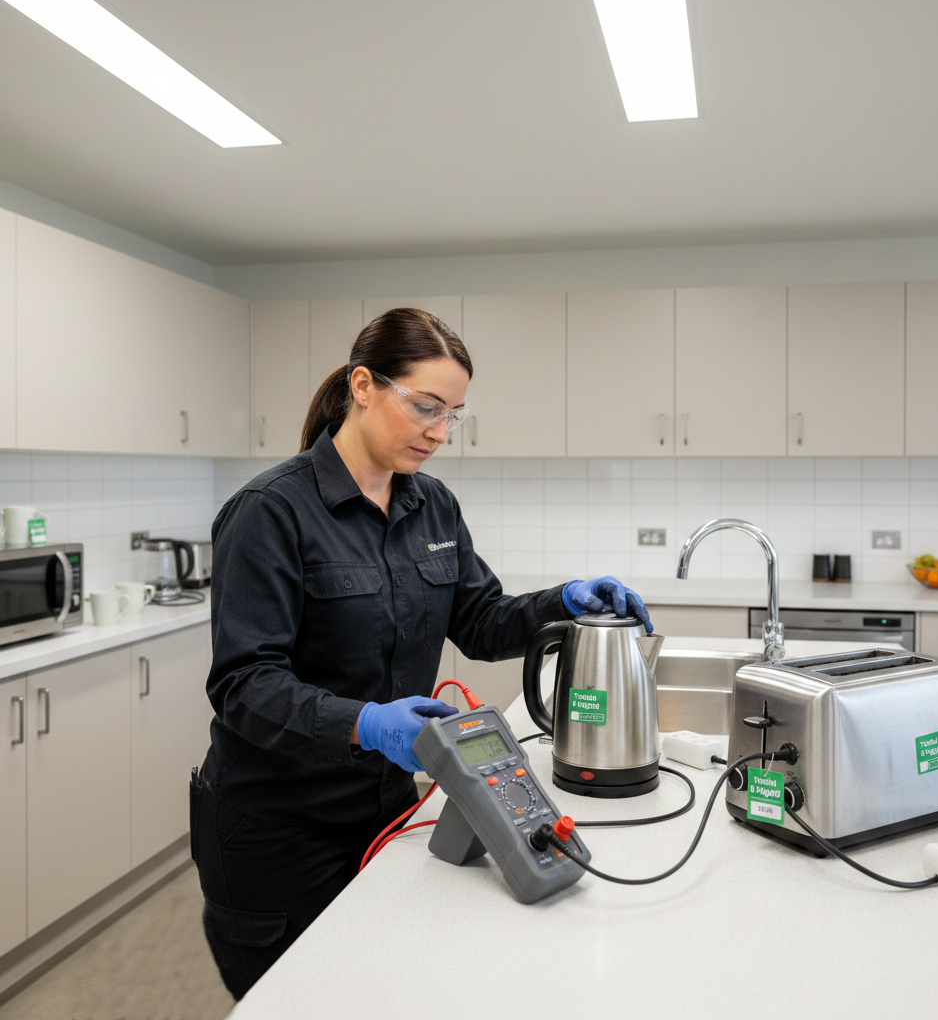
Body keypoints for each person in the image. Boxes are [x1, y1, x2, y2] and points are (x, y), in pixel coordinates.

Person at [191, 308, 652, 998]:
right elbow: (244, 685)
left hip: (385, 807)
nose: (440, 432)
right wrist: (365, 724)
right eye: (426, 407)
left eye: (454, 414)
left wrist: (565, 602)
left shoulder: (432, 505)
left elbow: (482, 621)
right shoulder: (270, 512)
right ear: (364, 386)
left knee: (383, 991)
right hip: (277, 828)